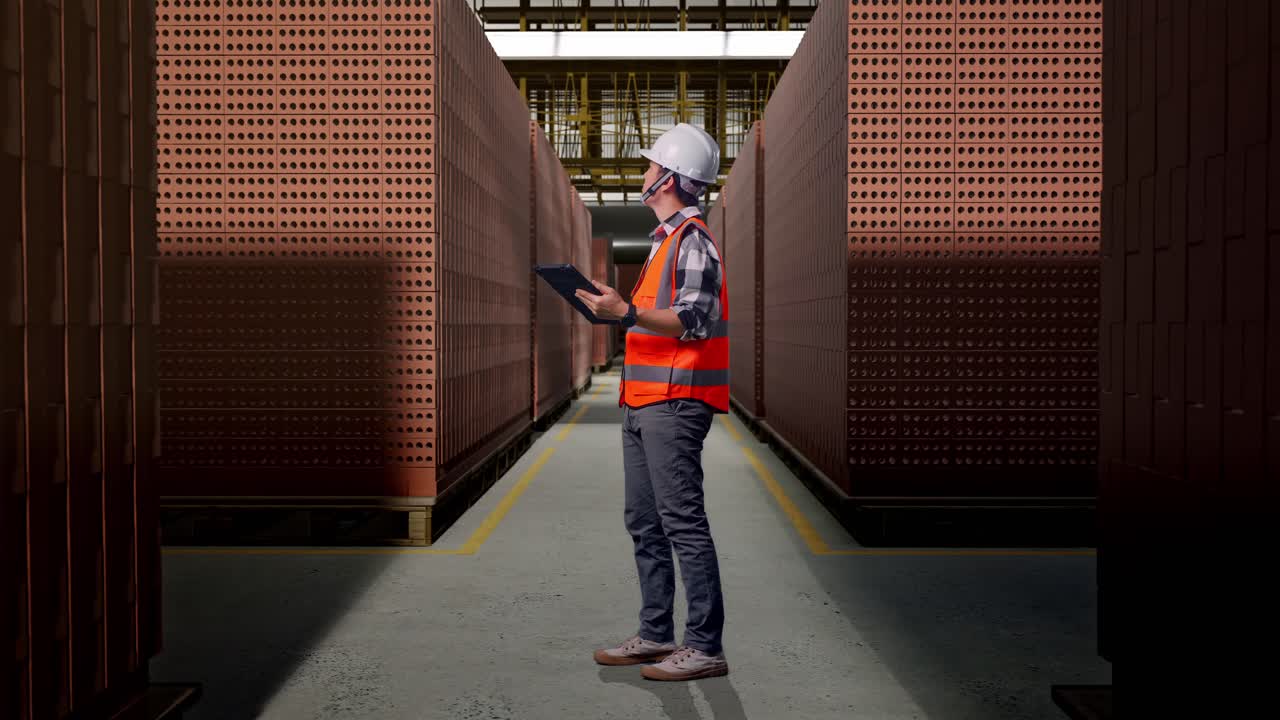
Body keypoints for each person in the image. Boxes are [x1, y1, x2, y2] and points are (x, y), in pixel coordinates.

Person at [574, 122, 731, 682]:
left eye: (649, 166)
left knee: (682, 522)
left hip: (675, 401)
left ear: (668, 179)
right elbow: (649, 319)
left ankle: (704, 646)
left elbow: (694, 319)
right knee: (644, 522)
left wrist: (628, 312)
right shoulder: (665, 242)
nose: (643, 174)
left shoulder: (692, 239)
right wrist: (616, 310)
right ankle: (657, 632)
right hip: (643, 400)